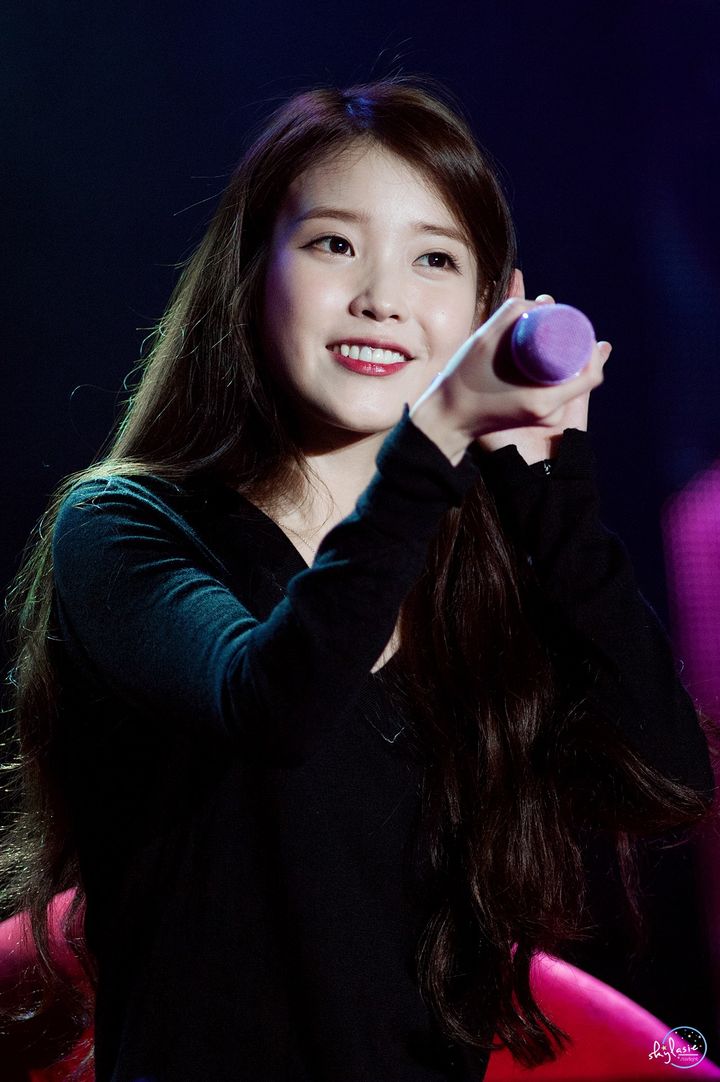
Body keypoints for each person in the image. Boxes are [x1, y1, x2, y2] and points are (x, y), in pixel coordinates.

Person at [1, 77, 715, 1082]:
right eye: (334, 244)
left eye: (434, 258)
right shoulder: (126, 527)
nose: (381, 296)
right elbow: (275, 699)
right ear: (252, 271)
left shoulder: (473, 577)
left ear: (490, 311)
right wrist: (436, 442)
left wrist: (549, 489)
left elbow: (666, 779)